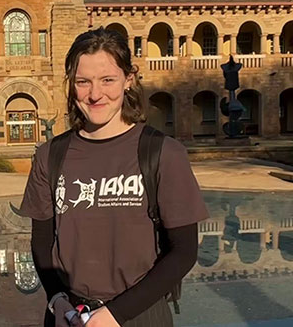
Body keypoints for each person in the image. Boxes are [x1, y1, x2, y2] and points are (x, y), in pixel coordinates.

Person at [19, 27, 209, 327]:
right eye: (83, 82)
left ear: (128, 80)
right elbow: (41, 243)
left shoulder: (163, 153)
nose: (95, 94)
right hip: (69, 316)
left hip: (139, 314)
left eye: (108, 80)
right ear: (72, 85)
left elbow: (184, 251)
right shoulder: (50, 156)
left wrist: (114, 315)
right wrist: (56, 298)